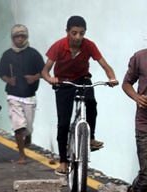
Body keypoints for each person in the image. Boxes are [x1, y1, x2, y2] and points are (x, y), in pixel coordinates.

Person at [41, 15, 118, 175]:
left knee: (91, 102)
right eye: (74, 33)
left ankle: (90, 139)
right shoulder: (58, 46)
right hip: (63, 82)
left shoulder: (89, 45)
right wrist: (51, 79)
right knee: (63, 123)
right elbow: (45, 71)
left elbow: (105, 66)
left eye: (82, 33)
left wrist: (112, 78)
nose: (78, 37)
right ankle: (63, 161)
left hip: (83, 78)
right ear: (67, 31)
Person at [0, 25, 45, 164]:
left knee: (27, 127)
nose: (20, 39)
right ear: (12, 38)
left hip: (29, 95)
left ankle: (29, 135)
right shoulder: (7, 54)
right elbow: (0, 72)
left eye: (22, 36)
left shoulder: (34, 54)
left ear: (26, 37)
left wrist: (34, 77)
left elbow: (43, 71)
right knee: (18, 125)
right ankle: (22, 155)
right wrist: (8, 80)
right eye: (17, 36)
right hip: (13, 95)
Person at [121, 47, 147, 192]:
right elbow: (126, 83)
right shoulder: (140, 57)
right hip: (145, 124)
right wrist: (137, 97)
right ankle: (135, 191)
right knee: (146, 175)